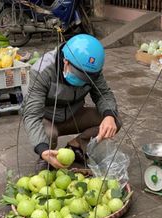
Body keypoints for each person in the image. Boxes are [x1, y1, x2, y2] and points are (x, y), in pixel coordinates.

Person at [22, 34, 121, 171]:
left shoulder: (93, 72)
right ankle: (47, 156)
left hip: (74, 114)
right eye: (79, 75)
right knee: (49, 134)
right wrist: (42, 148)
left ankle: (76, 147)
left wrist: (109, 115)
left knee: (113, 121)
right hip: (48, 118)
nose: (82, 80)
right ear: (66, 62)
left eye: (87, 77)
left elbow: (103, 94)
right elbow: (32, 115)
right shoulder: (42, 70)